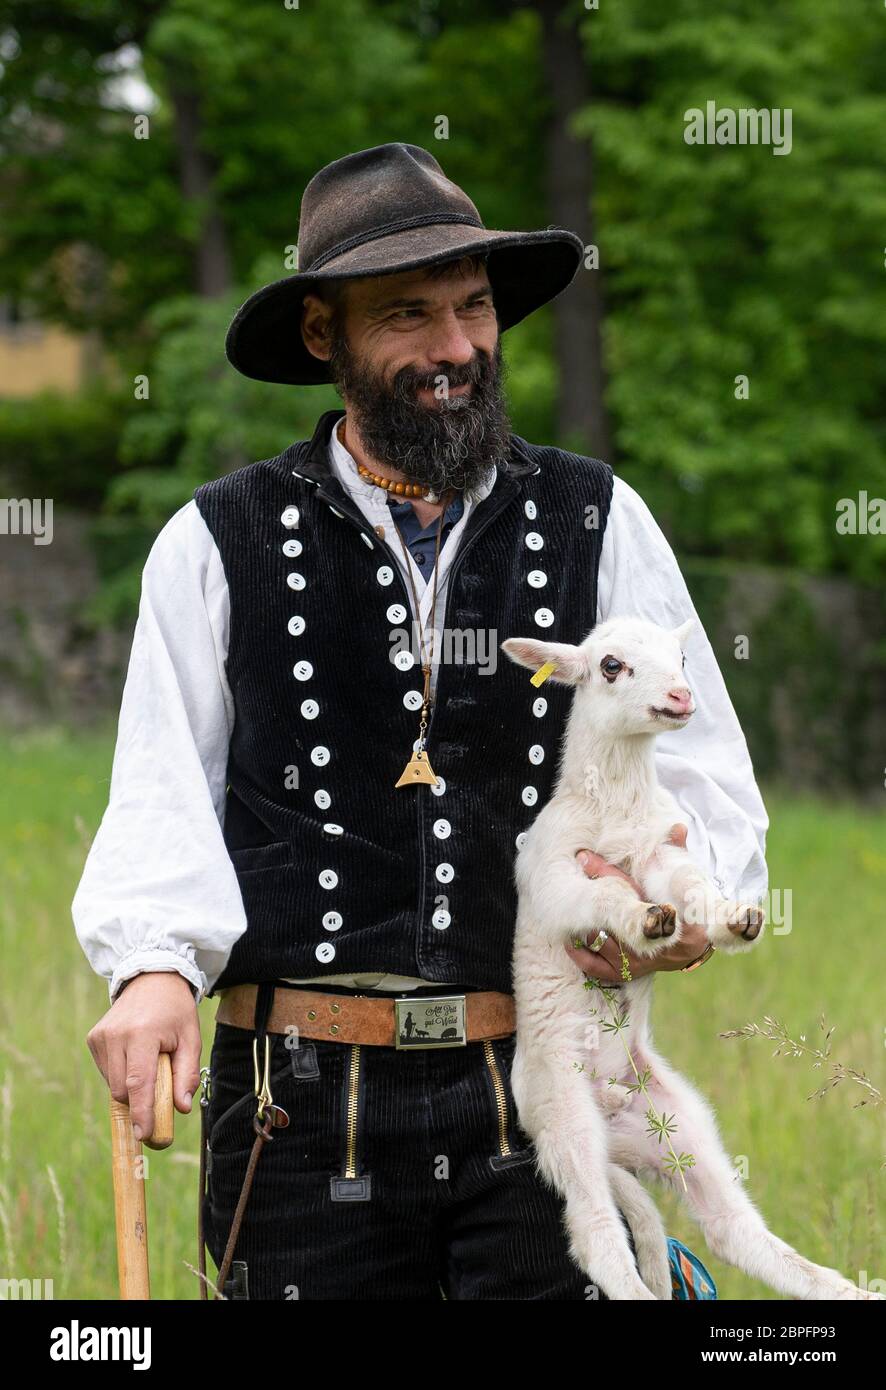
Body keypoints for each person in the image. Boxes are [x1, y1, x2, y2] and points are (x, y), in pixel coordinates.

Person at [73, 142, 768, 1300]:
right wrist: (151, 967)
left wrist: (681, 900)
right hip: (297, 1110)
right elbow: (162, 785)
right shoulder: (216, 539)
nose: (455, 350)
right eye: (408, 314)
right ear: (320, 337)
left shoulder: (598, 518)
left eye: (474, 307)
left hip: (544, 1082)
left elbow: (700, 773)